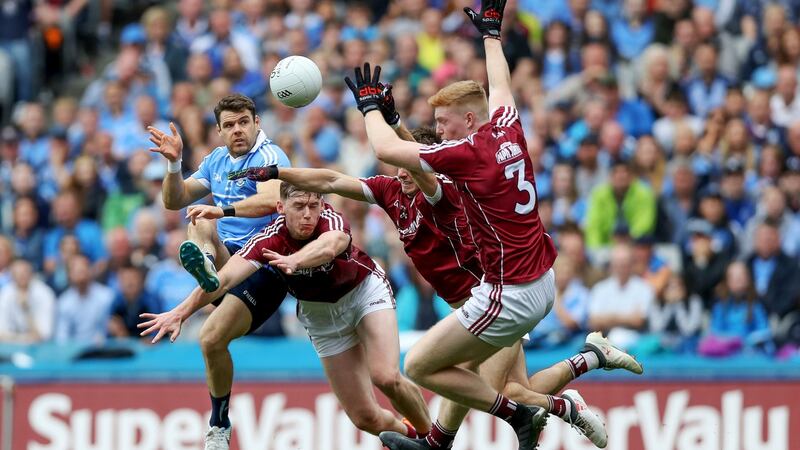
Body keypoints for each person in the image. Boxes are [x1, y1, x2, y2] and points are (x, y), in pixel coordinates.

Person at [345, 1, 632, 448]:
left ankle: (520, 418)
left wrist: (369, 109)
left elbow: (385, 148)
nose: (439, 131)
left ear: (469, 120)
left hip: (510, 291)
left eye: (444, 122)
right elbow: (500, 82)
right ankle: (573, 375)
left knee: (421, 366)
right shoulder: (508, 125)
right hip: (540, 279)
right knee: (487, 376)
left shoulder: (466, 154)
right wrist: (491, 35)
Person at [139, 183, 431, 439]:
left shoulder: (330, 219)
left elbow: (331, 246)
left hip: (364, 293)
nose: (308, 214)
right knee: (365, 417)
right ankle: (408, 435)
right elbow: (225, 279)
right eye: (299, 206)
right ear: (281, 207)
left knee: (386, 376)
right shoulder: (269, 240)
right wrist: (181, 312)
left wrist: (297, 261)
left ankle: (433, 439)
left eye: (314, 205)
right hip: (321, 318)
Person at [146, 93, 290, 449]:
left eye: (243, 122)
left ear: (257, 123)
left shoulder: (269, 156)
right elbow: (173, 200)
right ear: (219, 131)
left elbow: (270, 200)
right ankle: (220, 428)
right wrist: (174, 164)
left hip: (264, 265)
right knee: (194, 213)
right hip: (229, 260)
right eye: (229, 125)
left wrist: (221, 212)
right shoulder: (216, 161)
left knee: (211, 338)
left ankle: (217, 423)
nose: (237, 130)